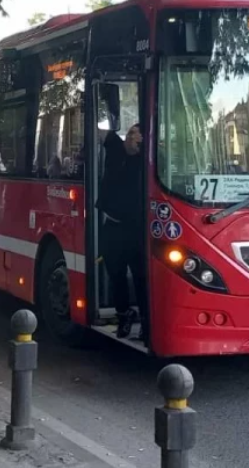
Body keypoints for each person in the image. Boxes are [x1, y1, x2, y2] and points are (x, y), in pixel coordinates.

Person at [96, 123, 148, 341]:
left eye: (136, 135)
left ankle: (146, 321)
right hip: (113, 225)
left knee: (140, 275)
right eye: (130, 133)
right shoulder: (116, 148)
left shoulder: (146, 161)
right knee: (115, 273)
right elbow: (99, 130)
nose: (131, 137)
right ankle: (124, 314)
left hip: (136, 228)